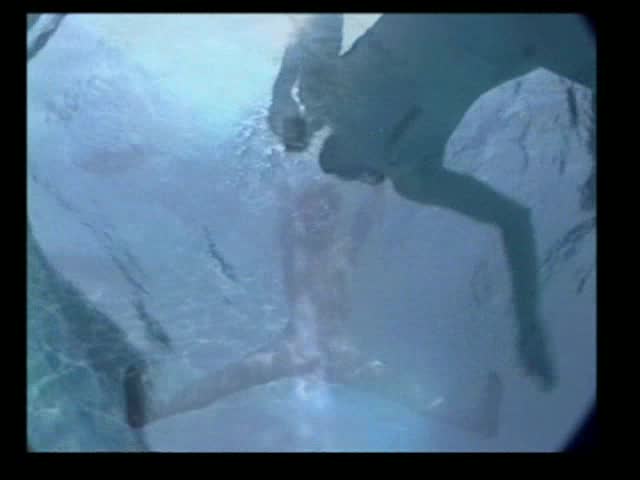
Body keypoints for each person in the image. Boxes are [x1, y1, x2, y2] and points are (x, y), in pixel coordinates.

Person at [267, 14, 595, 391]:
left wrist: (281, 96)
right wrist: (528, 323)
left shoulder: (326, 97)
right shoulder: (412, 173)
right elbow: (514, 220)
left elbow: (514, 220)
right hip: (533, 41)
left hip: (526, 43)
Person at [126, 178, 501, 437]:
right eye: (308, 216)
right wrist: (284, 189)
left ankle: (470, 421)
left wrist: (378, 182)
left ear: (334, 218)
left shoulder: (344, 248)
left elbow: (367, 219)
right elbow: (287, 217)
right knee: (227, 380)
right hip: (295, 346)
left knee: (398, 388)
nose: (314, 222)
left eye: (323, 214)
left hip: (334, 350)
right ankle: (152, 413)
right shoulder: (295, 249)